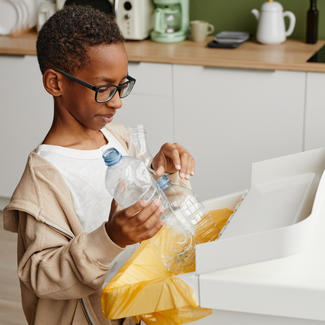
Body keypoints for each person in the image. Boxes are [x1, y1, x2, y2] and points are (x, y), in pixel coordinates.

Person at [3, 5, 195, 325]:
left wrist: (167, 175)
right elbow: (41, 276)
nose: (118, 101)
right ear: (55, 83)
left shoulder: (116, 138)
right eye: (104, 88)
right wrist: (110, 239)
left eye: (122, 85)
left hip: (132, 309)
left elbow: (150, 213)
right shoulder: (43, 180)